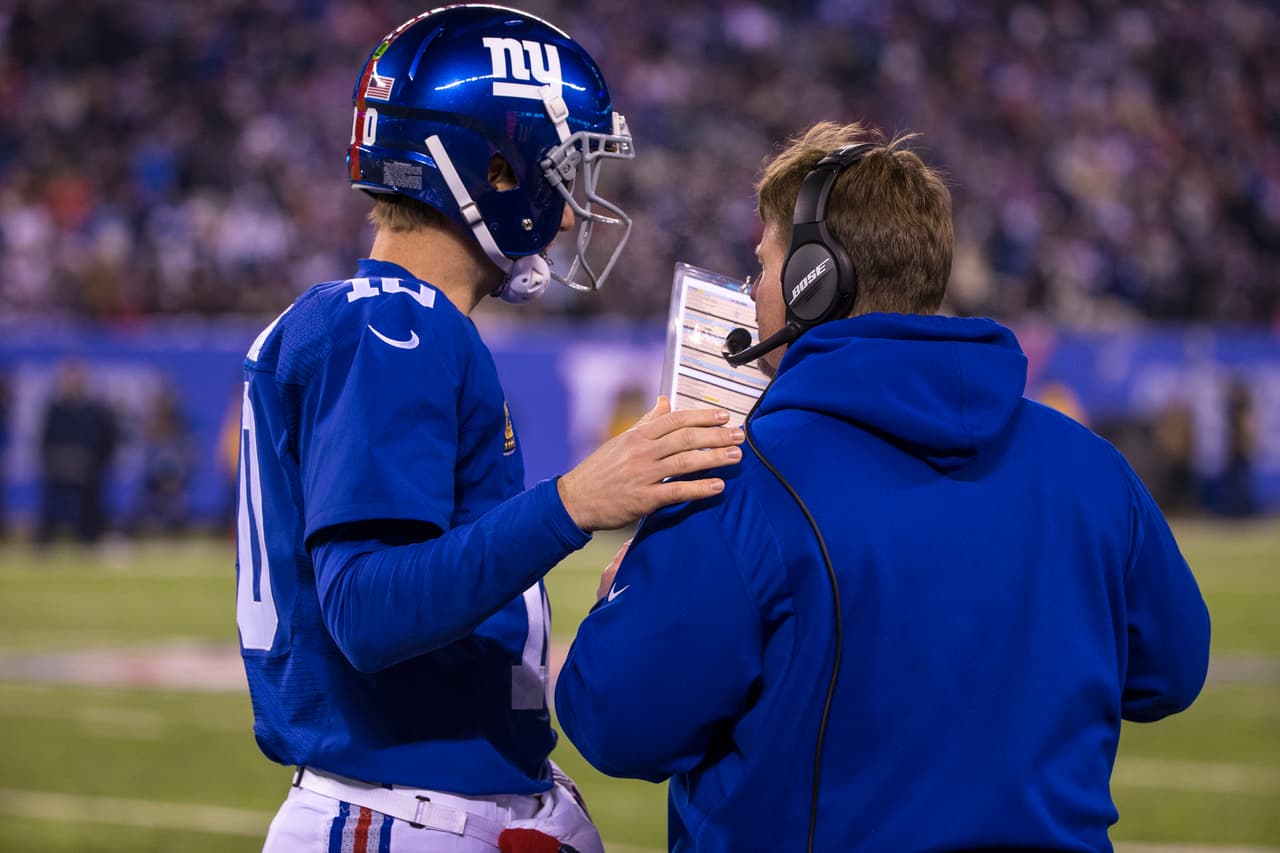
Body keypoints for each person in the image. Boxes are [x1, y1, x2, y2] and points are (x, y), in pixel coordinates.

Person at [555, 122, 1211, 852]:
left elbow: (615, 720)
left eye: (764, 262)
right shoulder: (1090, 464)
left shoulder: (742, 479)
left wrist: (621, 605)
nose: (750, 289)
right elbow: (1172, 671)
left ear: (815, 278)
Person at [233, 7, 743, 853]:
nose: (575, 213)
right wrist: (574, 503)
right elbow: (367, 609)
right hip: (404, 811)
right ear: (496, 169)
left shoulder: (406, 323)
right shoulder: (396, 321)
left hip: (431, 804)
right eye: (563, 170)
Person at [37, 360, 119, 545]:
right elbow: (45, 440)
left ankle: (90, 538)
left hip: (89, 469)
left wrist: (98, 462)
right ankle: (45, 542)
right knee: (52, 501)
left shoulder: (94, 410)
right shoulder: (55, 410)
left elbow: (106, 439)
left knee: (92, 497)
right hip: (59, 469)